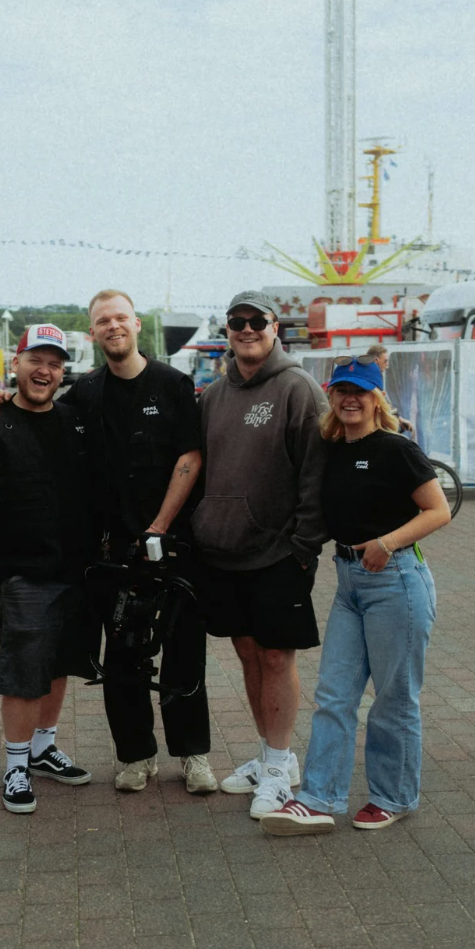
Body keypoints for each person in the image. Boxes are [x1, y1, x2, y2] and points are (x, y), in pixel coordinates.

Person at [0, 294, 215, 794]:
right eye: (102, 322)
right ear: (92, 334)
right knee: (122, 659)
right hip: (112, 554)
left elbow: (191, 457)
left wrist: (159, 525)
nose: (112, 327)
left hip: (174, 543)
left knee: (182, 653)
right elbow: (39, 414)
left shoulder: (173, 384)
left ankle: (193, 756)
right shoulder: (85, 394)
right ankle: (135, 756)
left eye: (119, 318)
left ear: (136, 325)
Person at [261, 357, 451, 835]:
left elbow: (438, 510)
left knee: (393, 699)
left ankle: (394, 797)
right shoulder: (331, 449)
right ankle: (319, 798)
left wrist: (388, 543)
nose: (350, 399)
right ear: (332, 396)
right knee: (334, 696)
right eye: (342, 390)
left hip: (396, 581)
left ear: (376, 399)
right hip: (348, 583)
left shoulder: (395, 449)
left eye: (360, 391)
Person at [0, 324, 92, 814]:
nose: (44, 370)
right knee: (25, 668)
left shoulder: (73, 420)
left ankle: (43, 747)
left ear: (62, 371)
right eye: (35, 360)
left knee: (60, 662)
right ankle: (15, 766)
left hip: (77, 566)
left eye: (54, 362)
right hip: (22, 568)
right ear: (17, 364)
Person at [192, 291, 328, 819]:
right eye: (236, 322)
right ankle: (274, 756)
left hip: (279, 554)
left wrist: (302, 547)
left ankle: (276, 772)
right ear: (227, 329)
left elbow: (316, 473)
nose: (246, 329)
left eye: (257, 321)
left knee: (276, 656)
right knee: (248, 653)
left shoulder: (297, 388)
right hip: (224, 552)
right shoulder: (213, 396)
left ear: (275, 328)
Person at [365, 343, 413, 432]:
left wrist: (398, 418)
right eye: (385, 361)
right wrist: (398, 419)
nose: (387, 365)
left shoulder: (372, 375)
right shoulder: (371, 377)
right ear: (376, 361)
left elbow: (384, 402)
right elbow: (382, 402)